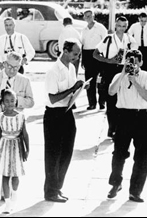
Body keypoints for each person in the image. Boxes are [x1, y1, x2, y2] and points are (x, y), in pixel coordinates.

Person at [43, 39, 88, 203]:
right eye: (75, 53)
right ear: (65, 51)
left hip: (67, 113)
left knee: (66, 152)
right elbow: (53, 98)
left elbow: (71, 92)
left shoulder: (70, 68)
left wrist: (81, 88)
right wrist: (73, 88)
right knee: (53, 154)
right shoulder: (53, 71)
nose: (77, 57)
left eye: (79, 54)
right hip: (54, 115)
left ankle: (57, 187)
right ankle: (50, 191)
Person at [107, 50, 147, 203]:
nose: (131, 65)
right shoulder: (118, 76)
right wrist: (122, 74)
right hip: (123, 117)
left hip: (141, 116)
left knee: (142, 156)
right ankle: (115, 184)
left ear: (140, 62)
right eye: (128, 62)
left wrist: (135, 81)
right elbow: (111, 91)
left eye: (134, 62)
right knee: (118, 154)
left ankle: (135, 191)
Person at [0, 51, 34, 199]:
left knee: (11, 160)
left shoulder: (24, 81)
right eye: (9, 66)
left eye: (16, 67)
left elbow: (31, 101)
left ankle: (6, 193)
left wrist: (14, 101)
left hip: (14, 126)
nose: (12, 70)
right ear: (4, 63)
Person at [93, 16, 138, 138]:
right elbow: (95, 54)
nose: (121, 28)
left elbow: (136, 57)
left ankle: (120, 127)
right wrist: (108, 60)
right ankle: (112, 127)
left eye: (124, 26)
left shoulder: (130, 39)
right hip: (110, 70)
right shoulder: (108, 39)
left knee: (123, 99)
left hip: (125, 69)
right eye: (119, 26)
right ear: (115, 26)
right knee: (111, 100)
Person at [0, 89, 29, 214]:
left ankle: (15, 195)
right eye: (7, 101)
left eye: (12, 101)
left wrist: (26, 149)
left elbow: (24, 134)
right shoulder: (0, 116)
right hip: (4, 147)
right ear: (2, 103)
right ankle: (7, 203)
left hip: (17, 147)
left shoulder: (20, 117)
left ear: (16, 101)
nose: (10, 104)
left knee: (15, 175)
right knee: (5, 175)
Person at [81, 9, 108, 110]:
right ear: (84, 18)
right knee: (89, 81)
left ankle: (102, 102)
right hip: (88, 56)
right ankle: (92, 103)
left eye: (90, 16)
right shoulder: (83, 30)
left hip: (99, 54)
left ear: (93, 16)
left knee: (102, 81)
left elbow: (106, 42)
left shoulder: (100, 28)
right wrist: (83, 60)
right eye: (86, 16)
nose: (88, 18)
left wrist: (104, 57)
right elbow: (83, 45)